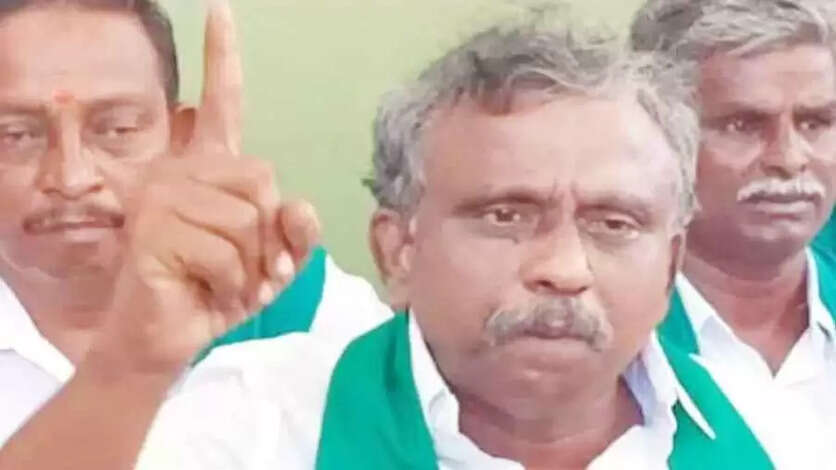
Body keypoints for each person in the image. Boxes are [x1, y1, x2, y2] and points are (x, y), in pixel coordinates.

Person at [135, 16, 773, 469]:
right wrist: (129, 360)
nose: (563, 268)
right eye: (505, 215)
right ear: (398, 251)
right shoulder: (260, 423)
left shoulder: (767, 422)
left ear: (670, 265)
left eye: (613, 224)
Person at [0, 0, 388, 464]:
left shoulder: (299, 306)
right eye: (15, 136)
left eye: (118, 129)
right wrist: (133, 361)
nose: (72, 178)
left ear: (181, 138)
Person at [632, 0, 836, 466]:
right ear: (658, 135)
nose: (789, 158)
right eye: (743, 125)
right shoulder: (605, 346)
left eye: (815, 123)